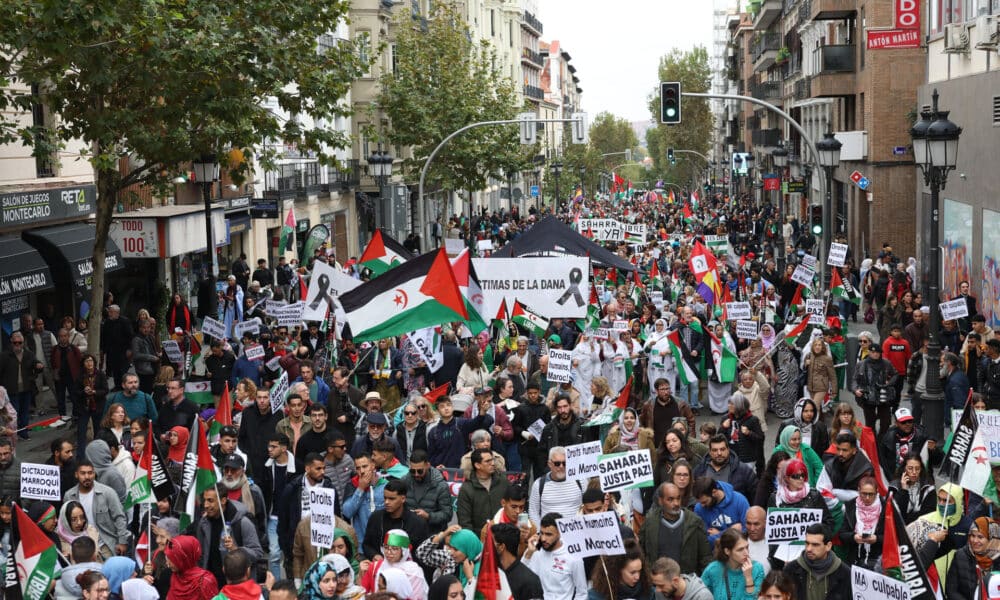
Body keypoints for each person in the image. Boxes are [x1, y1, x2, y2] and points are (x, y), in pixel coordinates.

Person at [277, 453, 339, 574]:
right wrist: (287, 549)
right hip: (298, 545)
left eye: (324, 468)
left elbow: (337, 517)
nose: (322, 472)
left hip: (323, 546)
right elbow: (283, 521)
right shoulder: (293, 489)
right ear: (307, 468)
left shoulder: (329, 488)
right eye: (318, 468)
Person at [191, 487, 263, 587]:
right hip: (211, 586)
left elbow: (257, 553)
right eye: (205, 500)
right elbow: (201, 556)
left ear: (223, 500)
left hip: (237, 586)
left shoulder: (242, 522)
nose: (206, 505)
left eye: (210, 501)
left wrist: (236, 549)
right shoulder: (203, 524)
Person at [638, 483, 711, 576]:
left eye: (678, 498)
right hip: (657, 583)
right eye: (670, 499)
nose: (676, 503)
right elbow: (641, 553)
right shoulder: (649, 523)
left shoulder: (695, 522)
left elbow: (705, 557)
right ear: (660, 501)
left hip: (686, 583)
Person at [63, 459, 129, 558]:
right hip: (82, 548)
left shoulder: (107, 493)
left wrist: (122, 541)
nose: (87, 477)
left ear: (94, 474)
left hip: (106, 545)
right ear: (76, 475)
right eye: (83, 473)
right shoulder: (69, 496)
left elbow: (120, 517)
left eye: (90, 473)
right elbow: (65, 523)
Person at [523, 513, 588, 600]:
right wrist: (528, 554)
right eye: (541, 533)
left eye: (548, 534)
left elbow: (582, 593)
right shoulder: (533, 550)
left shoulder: (573, 557)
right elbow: (520, 579)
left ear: (560, 533)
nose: (543, 539)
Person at [781, 524, 851, 600]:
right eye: (807, 543)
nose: (809, 549)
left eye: (815, 545)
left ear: (828, 546)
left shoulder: (845, 573)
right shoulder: (790, 570)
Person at [426, 395, 493, 469]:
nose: (446, 408)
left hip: (461, 469)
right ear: (438, 411)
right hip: (441, 471)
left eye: (448, 405)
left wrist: (482, 411)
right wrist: (436, 466)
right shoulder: (433, 432)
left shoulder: (461, 423)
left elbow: (476, 423)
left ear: (452, 407)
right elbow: (431, 455)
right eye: (442, 406)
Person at [358, 529, 427, 598]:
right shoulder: (375, 566)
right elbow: (363, 593)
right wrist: (361, 575)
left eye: (394, 549)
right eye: (386, 547)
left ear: (404, 550)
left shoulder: (413, 571)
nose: (389, 552)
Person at [0, 330, 43, 439]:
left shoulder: (29, 354)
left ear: (23, 342)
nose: (18, 345)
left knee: (25, 411)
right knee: (14, 412)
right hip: (11, 390)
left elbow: (36, 364)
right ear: (11, 342)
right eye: (15, 343)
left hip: (26, 388)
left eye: (20, 342)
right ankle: (12, 433)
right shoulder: (5, 355)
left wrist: (39, 366)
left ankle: (23, 432)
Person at [699, 529, 765, 600]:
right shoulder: (713, 569)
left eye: (747, 547)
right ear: (727, 551)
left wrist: (749, 578)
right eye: (740, 550)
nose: (746, 553)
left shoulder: (757, 569)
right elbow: (700, 595)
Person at [456, 447, 510, 533]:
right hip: (478, 538)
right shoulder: (466, 489)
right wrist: (473, 541)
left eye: (492, 460)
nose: (492, 463)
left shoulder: (503, 482)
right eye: (487, 461)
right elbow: (464, 521)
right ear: (477, 465)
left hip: (504, 535)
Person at [946, 516, 1000, 600]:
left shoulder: (998, 558)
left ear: (991, 538)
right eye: (972, 535)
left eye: (980, 537)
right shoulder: (961, 555)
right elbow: (951, 590)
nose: (974, 540)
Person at [528, 446, 583, 526]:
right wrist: (541, 533)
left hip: (576, 532)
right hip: (549, 534)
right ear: (549, 464)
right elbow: (533, 512)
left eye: (564, 463)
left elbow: (588, 505)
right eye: (557, 464)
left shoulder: (580, 481)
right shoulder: (539, 484)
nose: (561, 467)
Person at [692, 434, 758, 501]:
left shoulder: (743, 470)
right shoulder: (699, 470)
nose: (719, 453)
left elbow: (756, 496)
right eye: (715, 450)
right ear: (710, 452)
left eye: (722, 449)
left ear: (728, 450)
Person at [838, 477, 884, 571]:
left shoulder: (885, 507)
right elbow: (842, 534)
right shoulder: (850, 506)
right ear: (858, 491)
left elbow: (892, 537)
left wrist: (877, 539)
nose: (867, 498)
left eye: (871, 494)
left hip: (878, 560)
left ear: (877, 492)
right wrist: (854, 537)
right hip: (855, 559)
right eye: (864, 494)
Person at [588, 538, 656, 600]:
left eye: (640, 571)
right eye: (632, 572)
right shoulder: (598, 595)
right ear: (617, 570)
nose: (637, 577)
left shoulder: (648, 592)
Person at [490, 522, 543, 600]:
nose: (486, 547)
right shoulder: (491, 573)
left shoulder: (530, 582)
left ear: (501, 547)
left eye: (490, 543)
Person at [692, 476, 750, 547]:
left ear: (714, 492)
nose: (702, 505)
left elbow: (747, 531)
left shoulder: (739, 500)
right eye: (700, 502)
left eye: (705, 502)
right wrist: (728, 532)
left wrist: (718, 535)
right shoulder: (699, 508)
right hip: (714, 553)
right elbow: (703, 541)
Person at [822, 432, 873, 502]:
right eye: (838, 449)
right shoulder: (829, 465)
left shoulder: (866, 469)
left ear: (854, 450)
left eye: (844, 450)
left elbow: (866, 496)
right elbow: (822, 490)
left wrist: (835, 493)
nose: (840, 453)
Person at [721, 392, 765, 474]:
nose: (729, 406)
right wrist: (723, 427)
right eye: (729, 403)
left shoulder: (752, 420)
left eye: (732, 404)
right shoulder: (726, 418)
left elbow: (760, 438)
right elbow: (718, 438)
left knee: (746, 481)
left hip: (747, 458)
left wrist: (749, 433)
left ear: (739, 406)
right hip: (730, 457)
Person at [773, 398, 828, 463]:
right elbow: (779, 445)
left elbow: (825, 449)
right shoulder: (787, 424)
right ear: (799, 410)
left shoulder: (820, 427)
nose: (809, 414)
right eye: (806, 411)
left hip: (812, 465)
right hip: (790, 464)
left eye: (812, 411)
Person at [649, 378, 696, 450]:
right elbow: (642, 425)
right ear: (656, 391)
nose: (666, 392)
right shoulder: (649, 406)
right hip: (658, 447)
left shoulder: (681, 404)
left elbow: (691, 422)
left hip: (678, 446)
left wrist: (690, 440)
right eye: (662, 389)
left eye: (667, 388)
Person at [889, 452, 936, 524]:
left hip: (920, 525)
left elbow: (929, 513)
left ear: (921, 469)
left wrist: (908, 519)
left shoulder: (928, 487)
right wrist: (903, 490)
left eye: (917, 469)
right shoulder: (894, 486)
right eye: (910, 468)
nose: (914, 472)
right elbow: (894, 512)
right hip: (899, 527)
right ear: (904, 469)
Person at [75, 354, 110, 450]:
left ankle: (98, 451)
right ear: (83, 364)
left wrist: (94, 392)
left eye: (91, 360)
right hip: (84, 407)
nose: (89, 363)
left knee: (98, 430)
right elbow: (76, 392)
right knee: (81, 431)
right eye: (86, 361)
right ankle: (80, 456)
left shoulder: (100, 374)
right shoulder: (80, 376)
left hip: (98, 406)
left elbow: (105, 390)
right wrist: (84, 391)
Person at [744, 506, 771, 576]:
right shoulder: (737, 541)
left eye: (756, 524)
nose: (752, 528)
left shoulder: (774, 545)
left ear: (765, 523)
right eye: (748, 523)